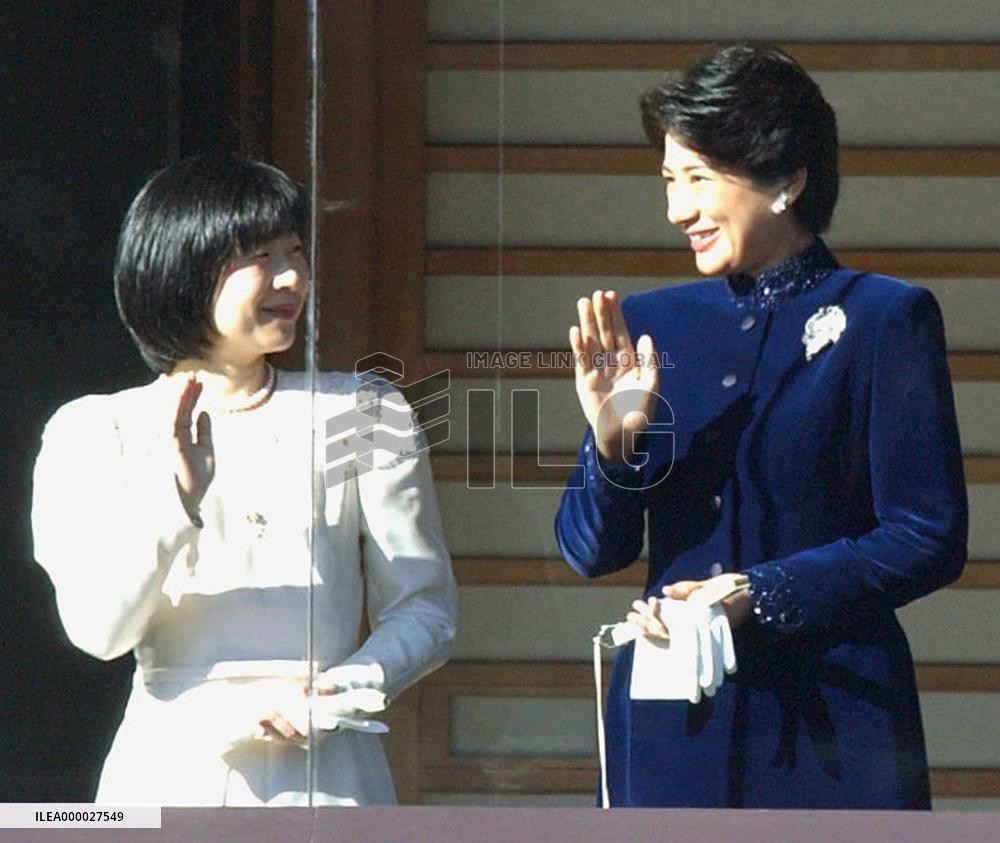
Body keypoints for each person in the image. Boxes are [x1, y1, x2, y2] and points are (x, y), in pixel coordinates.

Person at [555, 45, 967, 809]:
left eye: (700, 179)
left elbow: (927, 533)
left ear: (786, 181)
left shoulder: (885, 317)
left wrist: (760, 592)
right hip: (672, 720)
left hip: (837, 727)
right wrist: (615, 444)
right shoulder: (650, 327)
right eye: (670, 181)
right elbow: (590, 550)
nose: (677, 210)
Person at [31, 155, 458, 806]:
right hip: (170, 767)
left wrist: (338, 690)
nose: (292, 275)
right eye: (260, 255)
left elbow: (427, 607)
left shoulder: (363, 411)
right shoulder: (95, 429)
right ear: (185, 264)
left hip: (329, 768)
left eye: (296, 250)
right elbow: (97, 630)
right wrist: (175, 503)